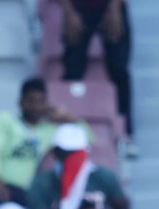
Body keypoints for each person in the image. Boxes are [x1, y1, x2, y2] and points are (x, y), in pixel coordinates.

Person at [0, 77, 81, 206]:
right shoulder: (4, 120)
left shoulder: (48, 130)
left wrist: (67, 117)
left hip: (20, 192)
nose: (36, 106)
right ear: (20, 102)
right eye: (31, 101)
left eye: (41, 101)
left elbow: (86, 137)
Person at [61, 0, 134, 146]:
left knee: (119, 70)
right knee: (72, 71)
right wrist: (69, 12)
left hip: (111, 5)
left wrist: (114, 8)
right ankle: (65, 132)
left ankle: (126, 134)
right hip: (78, 7)